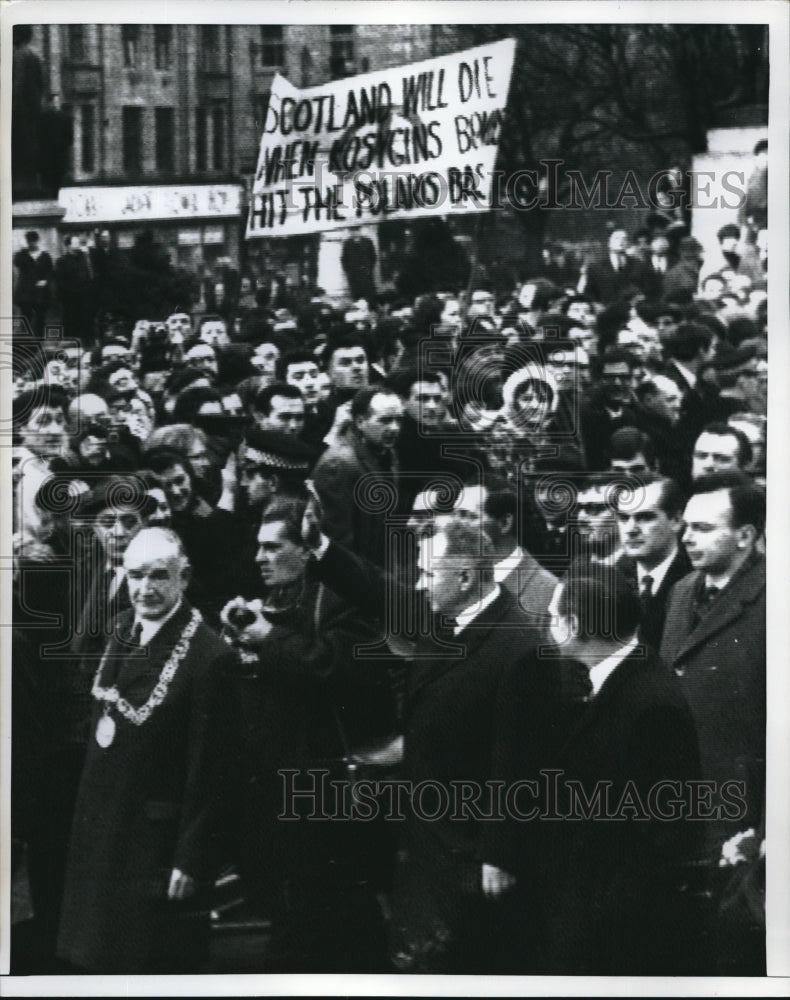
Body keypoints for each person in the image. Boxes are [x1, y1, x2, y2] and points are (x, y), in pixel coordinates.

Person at [222, 497, 396, 971]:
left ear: (305, 551)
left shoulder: (340, 600)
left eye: (273, 547)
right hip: (276, 793)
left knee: (330, 924)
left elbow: (335, 668)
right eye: (257, 547)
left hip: (327, 795)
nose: (260, 558)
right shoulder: (276, 601)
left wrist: (266, 640)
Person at [57, 528, 237, 973]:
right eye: (135, 575)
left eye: (160, 575)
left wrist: (191, 857)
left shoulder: (209, 657)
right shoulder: (120, 627)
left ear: (185, 576)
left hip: (151, 844)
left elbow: (211, 769)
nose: (146, 588)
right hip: (100, 829)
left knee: (140, 964)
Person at [531, 566, 701, 975]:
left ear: (573, 625)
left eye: (554, 618)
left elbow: (660, 836)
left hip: (615, 936)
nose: (550, 629)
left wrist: (597, 919)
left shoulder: (650, 703)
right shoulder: (620, 678)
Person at [660, 472, 766, 973]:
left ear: (745, 535)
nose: (687, 538)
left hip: (740, 820)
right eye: (686, 527)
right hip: (680, 810)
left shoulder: (773, 601)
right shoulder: (682, 592)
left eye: (704, 528)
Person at [312, 386, 403, 566]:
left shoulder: (387, 454)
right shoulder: (338, 464)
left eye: (398, 420)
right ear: (360, 421)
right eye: (385, 420)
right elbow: (338, 542)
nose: (394, 427)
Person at [614, 476, 691, 647]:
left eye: (645, 517)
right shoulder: (610, 577)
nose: (630, 529)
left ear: (676, 521)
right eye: (624, 518)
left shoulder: (696, 577)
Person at [14, 230, 53, 338]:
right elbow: (17, 262)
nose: (31, 243)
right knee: (26, 319)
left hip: (41, 294)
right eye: (29, 241)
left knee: (41, 318)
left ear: (37, 241)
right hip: (26, 294)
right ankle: (26, 342)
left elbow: (50, 272)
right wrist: (23, 250)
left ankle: (39, 341)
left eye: (33, 241)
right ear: (27, 242)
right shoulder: (21, 255)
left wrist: (45, 281)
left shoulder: (45, 256)